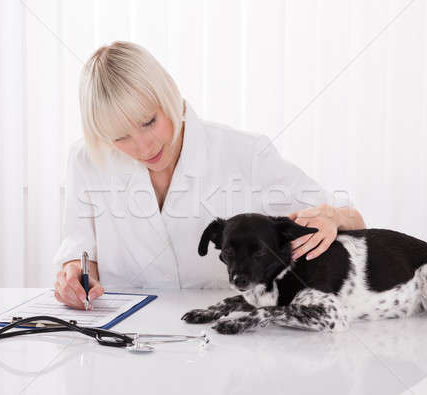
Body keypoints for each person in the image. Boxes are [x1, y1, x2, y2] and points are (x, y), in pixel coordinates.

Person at [53, 41, 366, 309]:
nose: (143, 146)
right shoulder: (86, 160)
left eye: (149, 121)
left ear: (168, 93)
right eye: (121, 138)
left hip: (226, 331)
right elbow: (80, 250)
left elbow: (348, 222)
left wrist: (334, 218)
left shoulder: (246, 153)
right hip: (124, 337)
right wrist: (76, 278)